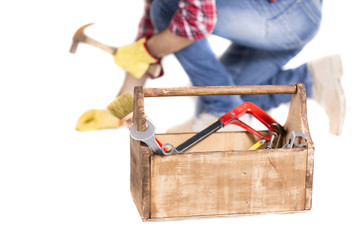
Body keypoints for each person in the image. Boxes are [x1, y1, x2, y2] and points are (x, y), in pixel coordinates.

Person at [78, 0, 346, 135]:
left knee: (168, 9)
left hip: (290, 13)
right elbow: (149, 35)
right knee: (230, 93)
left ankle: (222, 111)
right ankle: (313, 81)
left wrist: (147, 50)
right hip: (276, 17)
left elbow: (195, 20)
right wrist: (120, 108)